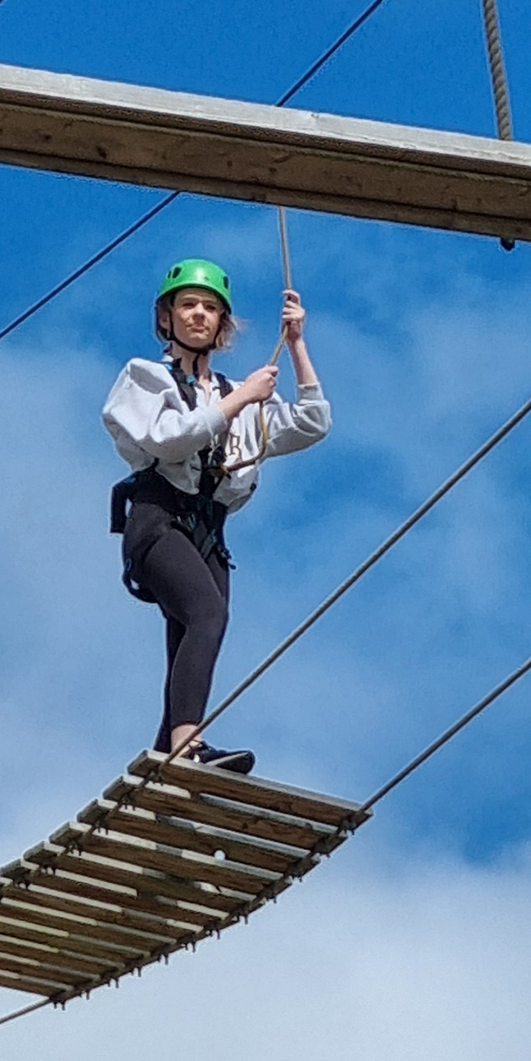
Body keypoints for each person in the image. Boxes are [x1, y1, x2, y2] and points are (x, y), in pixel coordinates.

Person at [103, 259, 330, 773]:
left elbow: (313, 423)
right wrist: (243, 398)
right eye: (188, 305)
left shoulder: (236, 396)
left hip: (209, 533)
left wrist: (296, 345)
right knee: (207, 614)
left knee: (189, 633)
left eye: (209, 308)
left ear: (222, 324)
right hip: (158, 518)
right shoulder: (146, 378)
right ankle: (188, 744)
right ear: (168, 318)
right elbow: (169, 439)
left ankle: (167, 752)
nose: (199, 315)